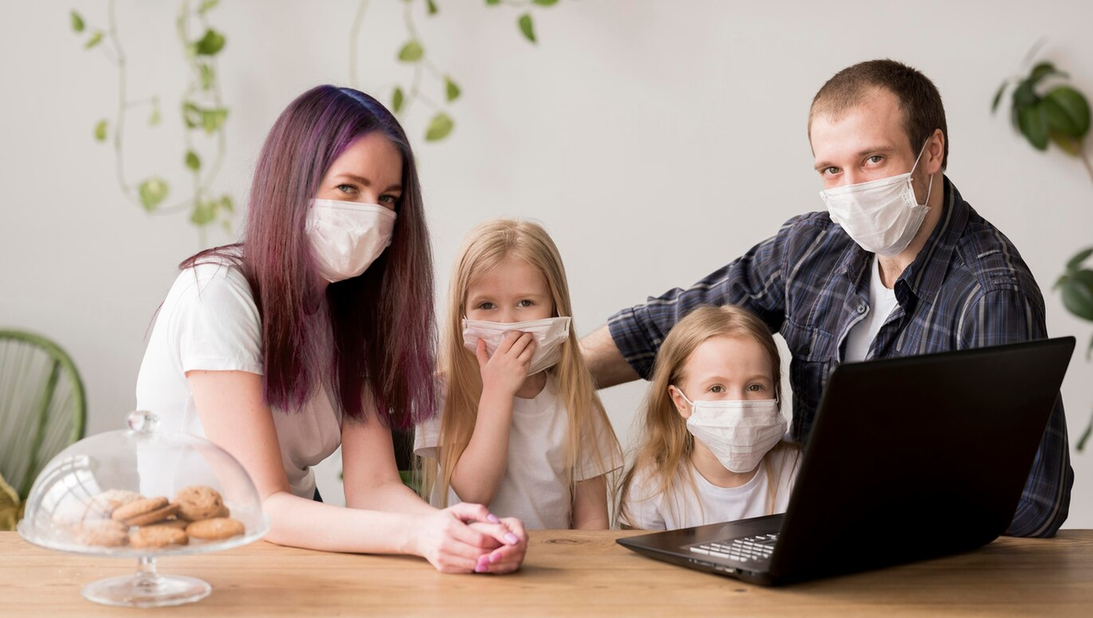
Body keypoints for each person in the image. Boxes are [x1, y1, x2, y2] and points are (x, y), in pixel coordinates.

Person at [581, 59, 1072, 537]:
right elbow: (676, 326)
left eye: (873, 159)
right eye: (831, 170)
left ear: (933, 152)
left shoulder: (989, 292)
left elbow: (1035, 501)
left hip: (918, 566)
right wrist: (548, 376)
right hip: (806, 546)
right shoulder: (813, 246)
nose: (852, 190)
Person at [136, 85, 526, 574]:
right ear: (292, 186)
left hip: (289, 554)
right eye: (349, 189)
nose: (372, 216)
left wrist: (457, 529)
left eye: (388, 199)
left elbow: (376, 486)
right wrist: (421, 534)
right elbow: (263, 506)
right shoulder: (215, 294)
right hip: (193, 561)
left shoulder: (348, 312)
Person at [415, 219, 623, 530]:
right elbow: (475, 491)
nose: (508, 323)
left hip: (556, 570)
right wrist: (497, 392)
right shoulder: (444, 394)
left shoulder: (576, 399)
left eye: (526, 302)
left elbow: (591, 517)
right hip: (469, 567)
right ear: (462, 314)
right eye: (486, 305)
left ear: (555, 306)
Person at [618, 305, 800, 530]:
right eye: (716, 388)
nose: (739, 405)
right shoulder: (652, 486)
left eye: (755, 386)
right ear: (680, 401)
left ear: (774, 390)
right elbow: (638, 565)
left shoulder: (799, 473)